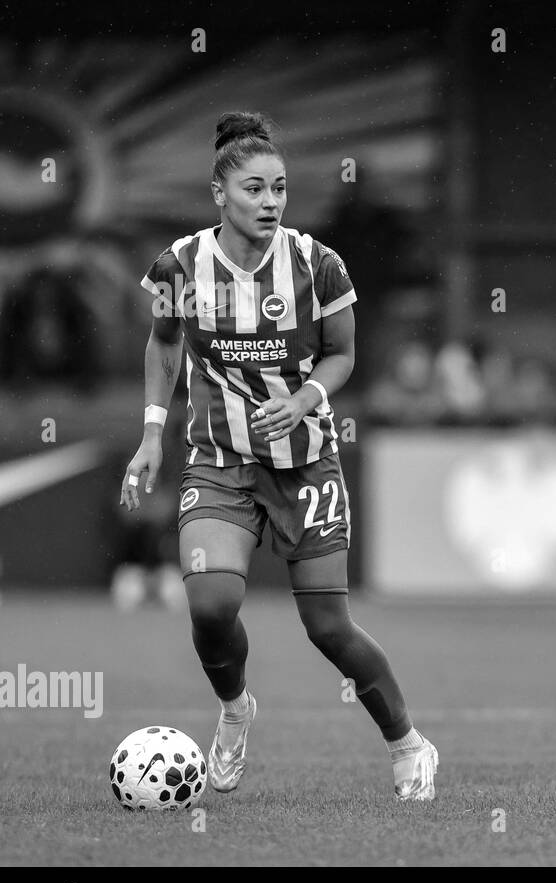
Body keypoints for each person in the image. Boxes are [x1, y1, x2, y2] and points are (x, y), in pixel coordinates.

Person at [120, 112, 437, 800]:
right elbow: (166, 343)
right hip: (219, 459)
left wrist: (306, 397)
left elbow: (346, 352)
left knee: (328, 627)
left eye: (280, 189)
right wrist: (152, 433)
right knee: (211, 602)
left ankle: (409, 743)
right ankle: (235, 708)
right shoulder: (180, 265)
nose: (270, 202)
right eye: (255, 189)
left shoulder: (317, 263)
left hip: (304, 463)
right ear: (219, 194)